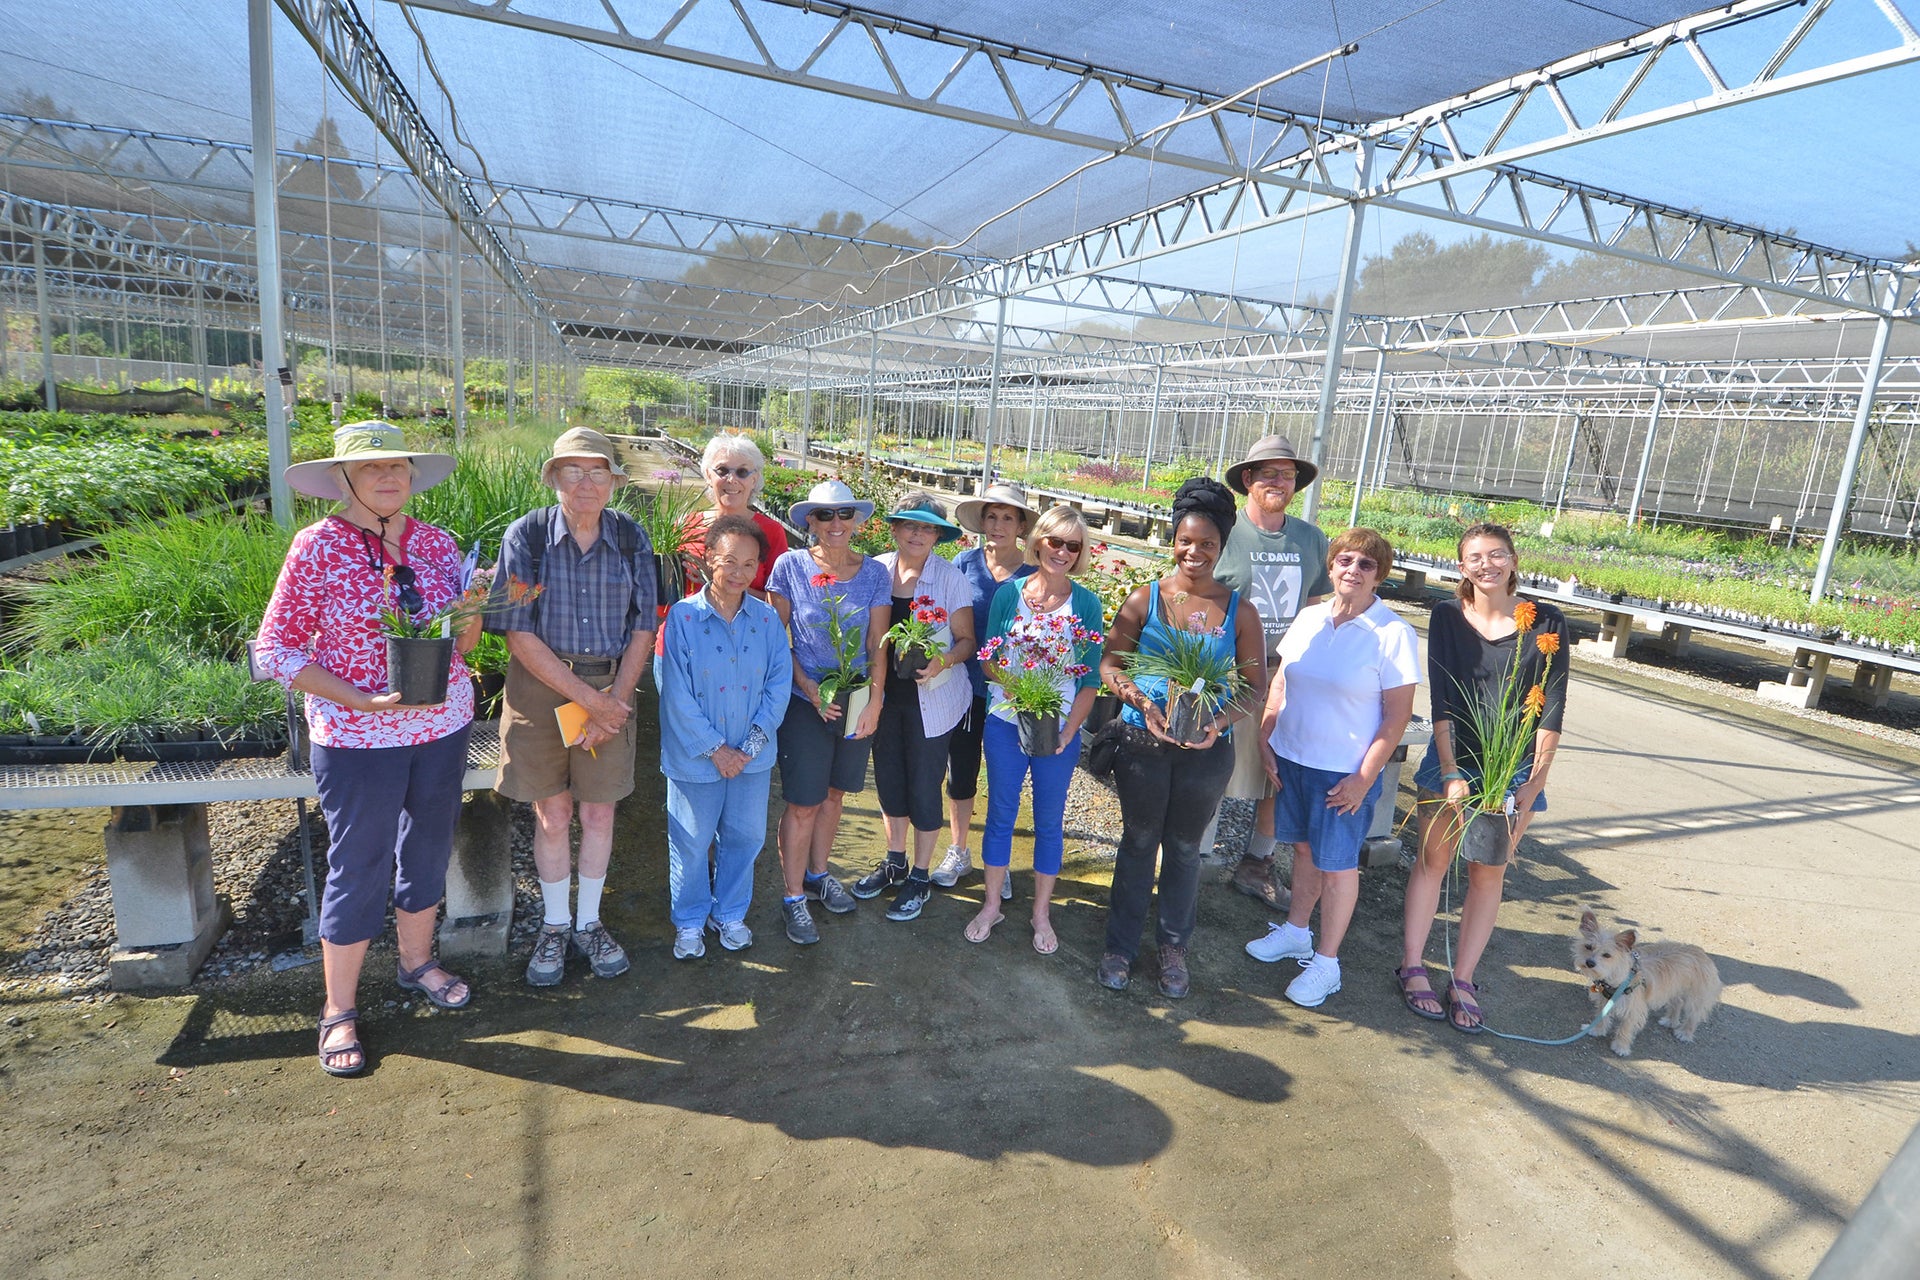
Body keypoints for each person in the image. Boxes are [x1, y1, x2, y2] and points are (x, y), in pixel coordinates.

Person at [255, 421, 479, 1077]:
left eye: (399, 469)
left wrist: (473, 608)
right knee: (359, 862)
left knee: (429, 846)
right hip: (356, 738)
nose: (389, 479)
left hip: (441, 728)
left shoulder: (438, 546)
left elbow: (459, 651)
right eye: (373, 469)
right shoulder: (316, 547)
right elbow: (277, 650)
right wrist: (358, 700)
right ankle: (338, 1010)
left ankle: (417, 963)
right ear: (344, 479)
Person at [492, 428, 657, 988]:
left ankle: (589, 921)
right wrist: (594, 703)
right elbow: (516, 632)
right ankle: (556, 925)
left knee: (599, 811)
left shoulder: (633, 538)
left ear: (614, 481)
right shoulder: (526, 537)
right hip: (542, 687)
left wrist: (616, 699)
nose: (586, 483)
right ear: (554, 478)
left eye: (598, 471)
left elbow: (642, 627)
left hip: (612, 682)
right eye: (573, 471)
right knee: (553, 812)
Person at [1098, 479, 1266, 997]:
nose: (1194, 553)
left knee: (1185, 848)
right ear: (1173, 540)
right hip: (1143, 745)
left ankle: (1173, 947)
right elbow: (1110, 663)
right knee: (1139, 840)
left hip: (1204, 752)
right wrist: (1140, 702)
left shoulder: (1240, 611)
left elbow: (1254, 686)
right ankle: (1121, 946)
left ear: (1223, 548)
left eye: (1208, 544)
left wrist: (1215, 724)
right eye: (1185, 541)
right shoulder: (1144, 599)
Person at [1399, 523, 1570, 1033]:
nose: (1487, 564)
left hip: (1515, 766)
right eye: (1475, 557)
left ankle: (1463, 978)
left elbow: (1552, 705)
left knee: (1487, 872)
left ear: (1514, 561)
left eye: (1497, 555)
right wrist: (1449, 772)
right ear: (1461, 566)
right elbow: (1442, 701)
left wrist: (1533, 784)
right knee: (1434, 860)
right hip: (1456, 758)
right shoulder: (1448, 615)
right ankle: (1411, 966)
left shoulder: (1548, 620)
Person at [1244, 529, 1420, 1008]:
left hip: (1343, 772)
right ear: (1331, 565)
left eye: (1366, 564)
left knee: (1339, 868)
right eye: (1345, 560)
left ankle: (1327, 963)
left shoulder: (1392, 634)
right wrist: (1266, 735)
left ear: (1379, 575)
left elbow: (1397, 715)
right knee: (1303, 852)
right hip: (1293, 758)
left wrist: (1365, 777)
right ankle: (1297, 931)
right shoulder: (1310, 617)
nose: (1353, 571)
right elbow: (1283, 678)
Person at [963, 504, 1105, 954]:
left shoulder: (1086, 604)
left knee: (1048, 820)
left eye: (1072, 545)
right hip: (1006, 721)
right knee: (1002, 811)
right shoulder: (1011, 593)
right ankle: (991, 904)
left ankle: (1041, 913)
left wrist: (1068, 734)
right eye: (1054, 541)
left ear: (1079, 553)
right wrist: (1018, 687)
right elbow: (987, 658)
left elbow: (1089, 682)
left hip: (1056, 730)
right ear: (1038, 541)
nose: (1061, 551)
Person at [656, 515, 790, 957]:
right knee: (692, 842)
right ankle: (690, 920)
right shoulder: (682, 618)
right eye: (728, 560)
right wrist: (716, 749)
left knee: (745, 838)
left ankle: (730, 913)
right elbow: (673, 690)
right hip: (697, 757)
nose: (738, 572)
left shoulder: (768, 619)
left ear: (758, 569)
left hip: (751, 758)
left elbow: (778, 683)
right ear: (708, 557)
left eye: (749, 564)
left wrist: (748, 747)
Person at [765, 478, 890, 945]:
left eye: (843, 514)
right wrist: (809, 688)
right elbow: (778, 639)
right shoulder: (791, 567)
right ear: (810, 522)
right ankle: (794, 896)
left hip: (856, 694)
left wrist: (875, 700)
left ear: (856, 520)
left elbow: (878, 645)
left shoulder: (874, 573)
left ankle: (820, 875)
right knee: (803, 802)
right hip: (806, 699)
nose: (834, 524)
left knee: (836, 794)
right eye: (823, 515)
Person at [1213, 435, 1332, 909]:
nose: (1278, 482)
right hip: (1228, 671)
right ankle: (1191, 852)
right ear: (1248, 480)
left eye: (1286, 475)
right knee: (1212, 761)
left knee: (1276, 773)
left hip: (1286, 673)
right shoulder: (1225, 533)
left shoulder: (1309, 538)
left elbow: (1313, 605)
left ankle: (1257, 863)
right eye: (1268, 474)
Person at [852, 494, 977, 922]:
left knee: (924, 785)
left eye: (927, 527)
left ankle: (921, 874)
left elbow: (966, 640)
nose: (917, 534)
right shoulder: (876, 570)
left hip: (933, 698)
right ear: (894, 528)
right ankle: (894, 861)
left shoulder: (949, 577)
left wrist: (941, 659)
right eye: (909, 525)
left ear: (938, 535)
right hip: (883, 697)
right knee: (888, 780)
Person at [933, 483, 1036, 897]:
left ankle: (999, 859)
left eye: (1007, 518)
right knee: (961, 772)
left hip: (1010, 693)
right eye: (991, 517)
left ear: (1021, 525)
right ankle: (959, 850)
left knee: (1004, 777)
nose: (997, 525)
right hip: (965, 686)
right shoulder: (963, 563)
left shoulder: (1033, 572)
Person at [653, 434, 790, 657]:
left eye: (742, 472)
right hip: (682, 646)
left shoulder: (771, 532)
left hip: (740, 649)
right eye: (722, 470)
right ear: (708, 474)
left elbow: (778, 606)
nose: (732, 479)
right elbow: (665, 598)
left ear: (754, 480)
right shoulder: (684, 526)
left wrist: (717, 578)